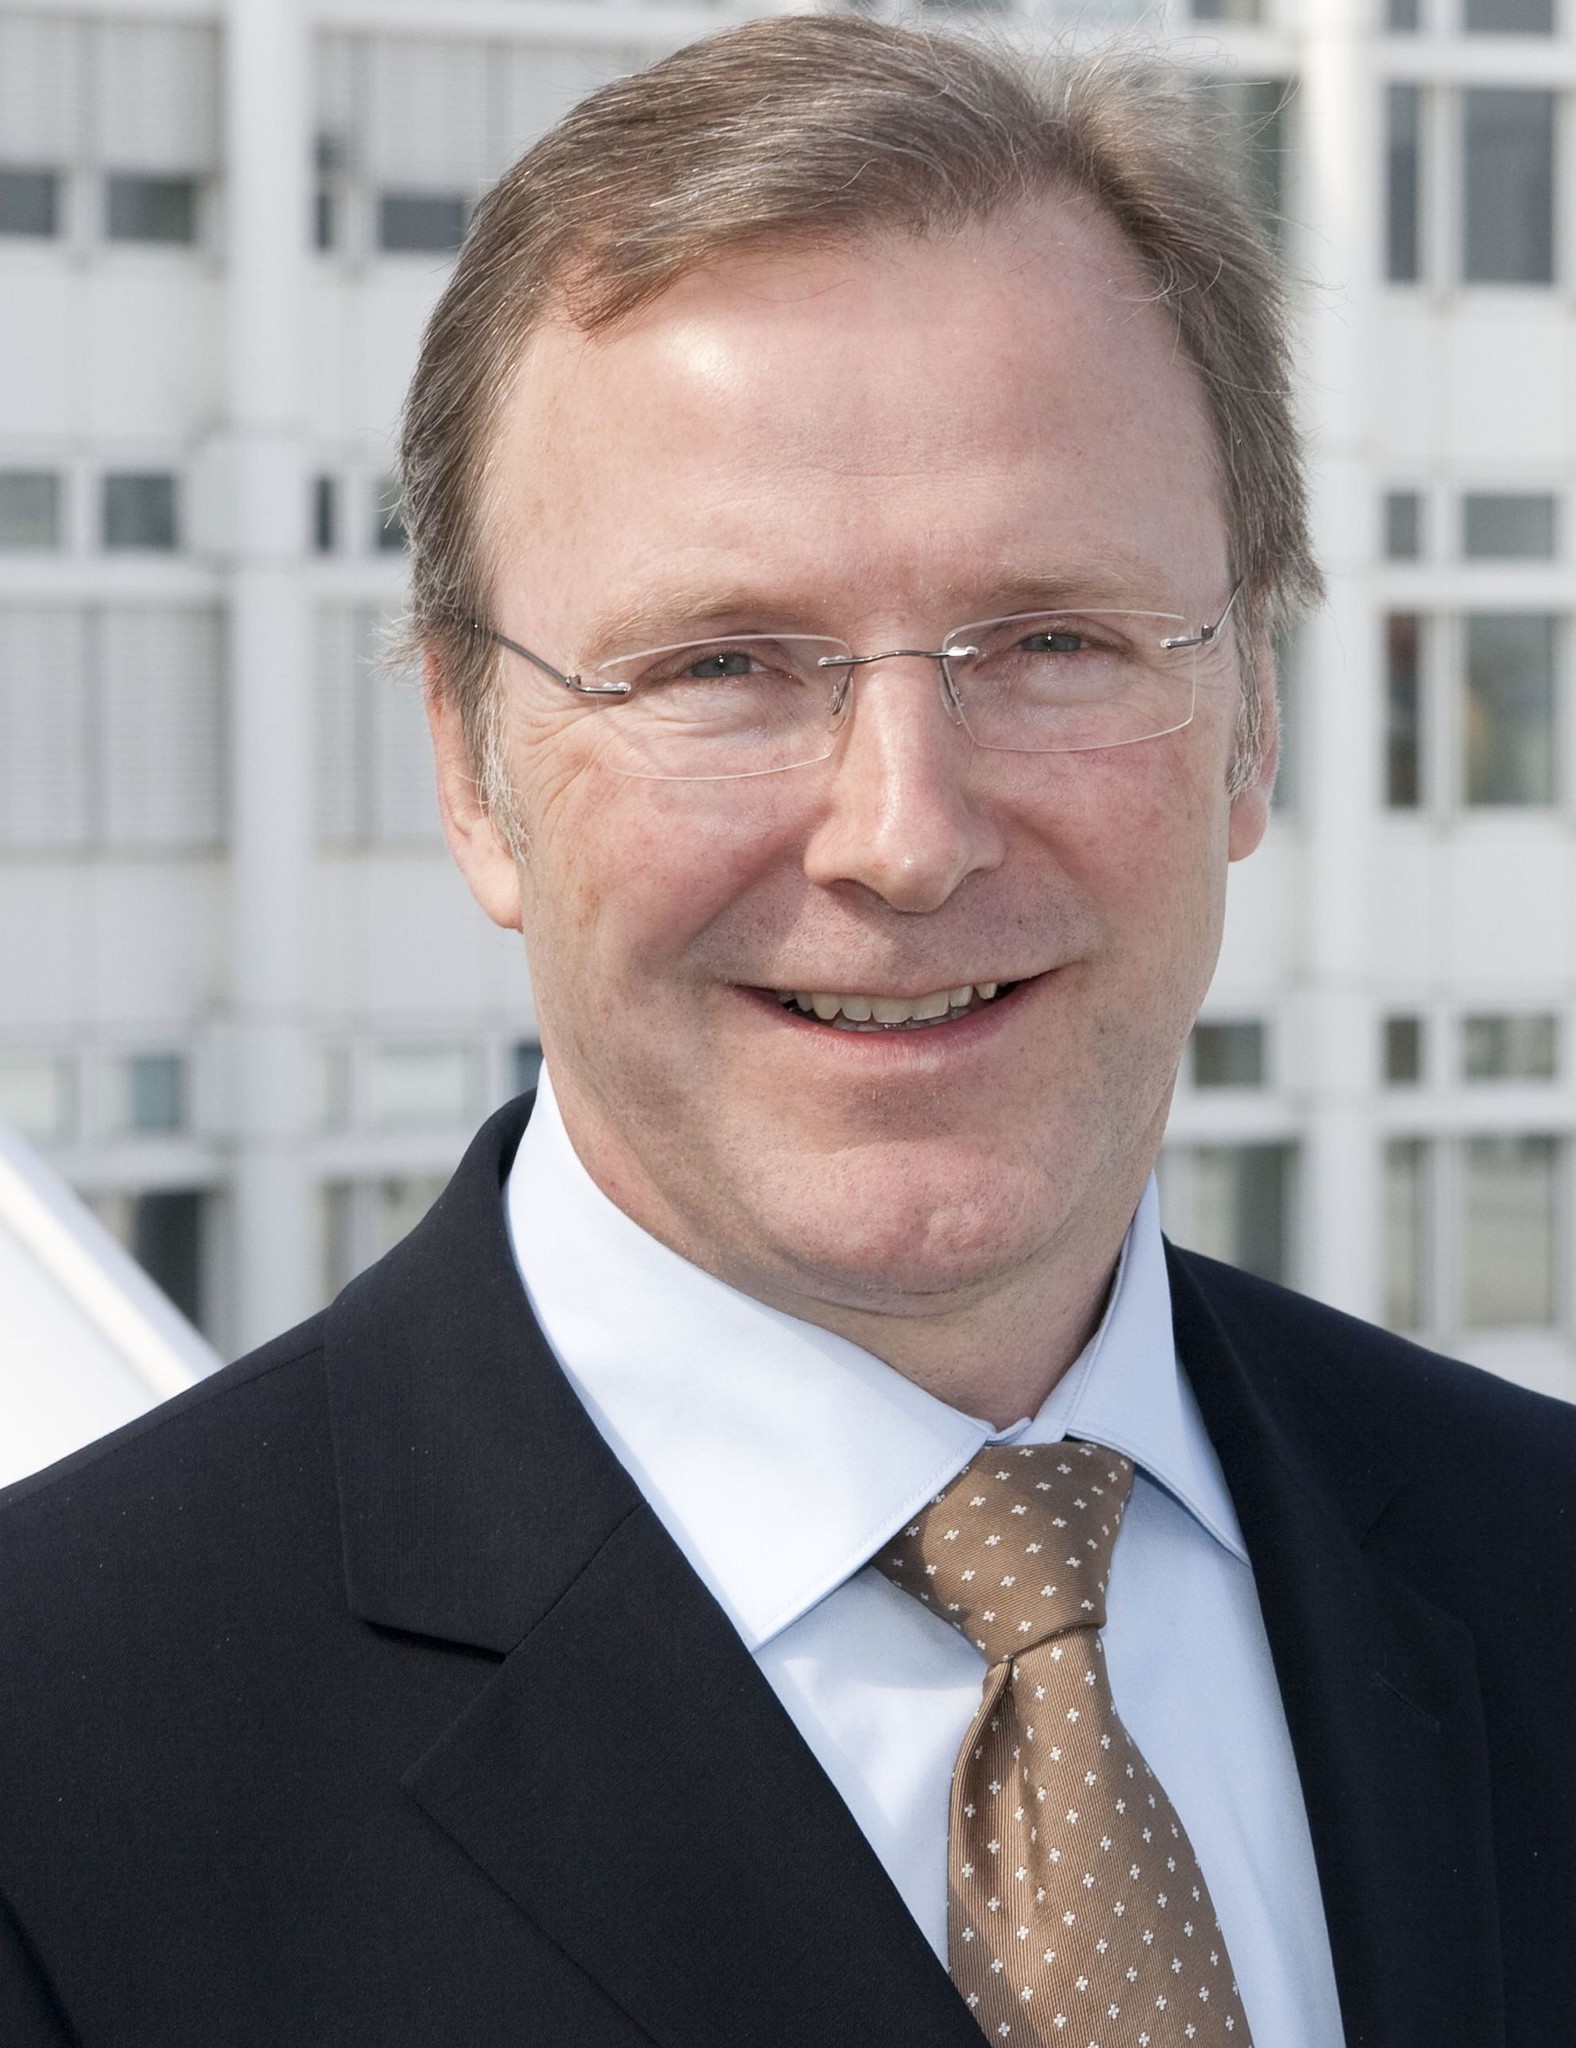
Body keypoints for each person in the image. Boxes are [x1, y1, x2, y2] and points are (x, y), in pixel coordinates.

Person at [1, 17, 1571, 2047]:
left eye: (1050, 640)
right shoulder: (57, 1773)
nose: (905, 835)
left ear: (1249, 718)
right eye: (723, 665)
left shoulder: (1536, 1559)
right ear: (473, 769)